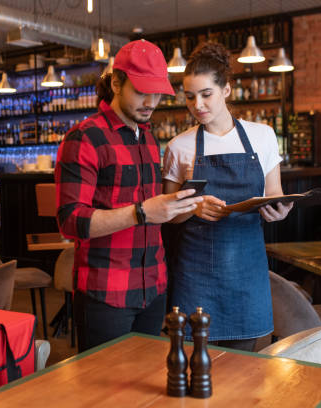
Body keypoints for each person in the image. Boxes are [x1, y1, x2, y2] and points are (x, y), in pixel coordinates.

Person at [55, 40, 203, 353]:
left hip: (153, 288)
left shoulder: (147, 136)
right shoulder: (85, 137)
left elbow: (158, 211)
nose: (151, 102)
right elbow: (70, 221)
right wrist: (141, 213)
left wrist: (188, 199)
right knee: (103, 396)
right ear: (116, 83)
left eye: (157, 94)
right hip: (105, 294)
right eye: (141, 91)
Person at [161, 42, 293, 351]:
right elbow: (168, 213)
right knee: (197, 366)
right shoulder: (179, 147)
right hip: (195, 272)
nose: (198, 105)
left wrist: (280, 210)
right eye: (190, 97)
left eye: (206, 94)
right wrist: (193, 207)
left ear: (227, 90)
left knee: (246, 370)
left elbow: (274, 194)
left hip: (247, 270)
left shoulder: (262, 136)